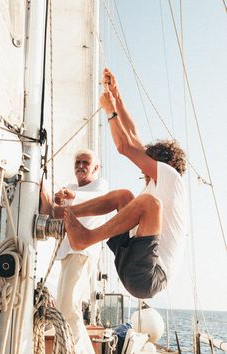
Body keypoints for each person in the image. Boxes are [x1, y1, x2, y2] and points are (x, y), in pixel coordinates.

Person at [62, 68, 187, 300]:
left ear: (161, 162)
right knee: (124, 196)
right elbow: (133, 135)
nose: (142, 164)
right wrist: (117, 97)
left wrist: (110, 112)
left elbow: (126, 147)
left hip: (149, 276)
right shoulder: (159, 184)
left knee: (148, 204)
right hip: (133, 262)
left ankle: (87, 237)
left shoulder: (171, 178)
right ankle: (64, 213)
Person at [40, 149, 108, 354]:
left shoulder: (100, 185)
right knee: (63, 307)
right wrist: (56, 200)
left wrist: (71, 197)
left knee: (69, 308)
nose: (80, 165)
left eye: (85, 162)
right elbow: (57, 213)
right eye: (77, 162)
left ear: (95, 167)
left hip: (83, 253)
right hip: (67, 253)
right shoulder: (69, 188)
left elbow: (96, 199)